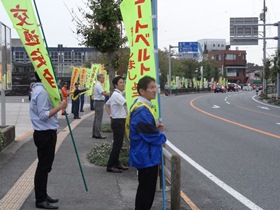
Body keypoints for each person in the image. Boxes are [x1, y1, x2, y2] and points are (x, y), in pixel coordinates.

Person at [128, 76, 166, 210]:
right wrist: (161, 135)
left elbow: (146, 129)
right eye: (151, 88)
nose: (154, 90)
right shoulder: (142, 111)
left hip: (144, 154)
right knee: (146, 192)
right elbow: (151, 135)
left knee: (145, 190)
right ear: (142, 91)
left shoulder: (140, 106)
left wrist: (155, 128)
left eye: (154, 87)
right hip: (146, 156)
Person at [30, 72, 67, 209]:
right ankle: (40, 199)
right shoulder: (42, 92)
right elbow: (43, 115)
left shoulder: (40, 90)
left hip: (45, 133)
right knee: (43, 168)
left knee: (45, 167)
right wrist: (60, 107)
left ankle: (43, 195)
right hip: (44, 134)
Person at [105, 76, 128, 173]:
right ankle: (110, 165)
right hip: (118, 121)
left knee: (118, 144)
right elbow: (127, 103)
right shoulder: (117, 95)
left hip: (118, 120)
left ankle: (117, 163)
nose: (123, 84)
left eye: (123, 82)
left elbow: (107, 105)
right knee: (117, 145)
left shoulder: (115, 94)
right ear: (116, 85)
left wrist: (111, 114)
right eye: (121, 82)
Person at [92, 74, 110, 139]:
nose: (103, 79)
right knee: (99, 119)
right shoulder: (98, 85)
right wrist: (109, 95)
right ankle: (98, 134)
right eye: (102, 78)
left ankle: (94, 133)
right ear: (99, 78)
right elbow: (102, 93)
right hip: (99, 102)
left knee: (96, 118)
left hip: (97, 102)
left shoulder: (97, 84)